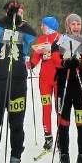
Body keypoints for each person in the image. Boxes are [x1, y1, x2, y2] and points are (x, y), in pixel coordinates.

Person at [0, 1, 38, 163]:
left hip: (17, 79)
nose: (16, 13)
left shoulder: (24, 28)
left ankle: (15, 157)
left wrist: (19, 21)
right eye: (13, 11)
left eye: (20, 11)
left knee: (16, 121)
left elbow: (32, 35)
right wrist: (8, 20)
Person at [54, 14, 82, 163]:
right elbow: (55, 58)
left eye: (79, 24)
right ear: (68, 25)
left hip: (80, 86)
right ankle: (64, 159)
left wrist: (81, 63)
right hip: (64, 86)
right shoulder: (61, 40)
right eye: (73, 24)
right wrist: (64, 62)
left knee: (81, 123)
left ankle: (81, 160)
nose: (76, 27)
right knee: (63, 123)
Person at [29, 17, 61, 152]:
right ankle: (48, 136)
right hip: (45, 79)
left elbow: (70, 53)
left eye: (44, 25)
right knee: (46, 107)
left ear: (50, 26)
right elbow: (37, 56)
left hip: (59, 77)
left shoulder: (61, 37)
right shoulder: (41, 39)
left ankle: (61, 136)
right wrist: (31, 64)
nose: (41, 27)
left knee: (59, 108)